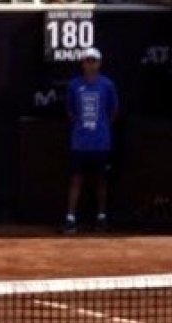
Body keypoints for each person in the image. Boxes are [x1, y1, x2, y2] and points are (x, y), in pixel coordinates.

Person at [64, 48, 120, 234]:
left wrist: (100, 127)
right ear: (82, 63)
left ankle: (101, 216)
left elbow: (113, 110)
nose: (90, 64)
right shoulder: (74, 85)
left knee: (101, 180)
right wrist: (82, 126)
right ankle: (71, 218)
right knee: (76, 179)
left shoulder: (107, 85)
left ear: (99, 63)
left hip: (101, 142)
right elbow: (70, 110)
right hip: (80, 142)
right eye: (87, 60)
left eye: (93, 60)